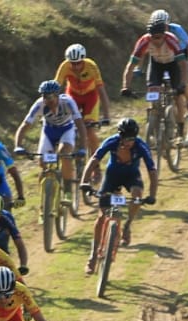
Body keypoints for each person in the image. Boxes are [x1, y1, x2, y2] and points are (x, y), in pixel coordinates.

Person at [79, 117, 158, 275]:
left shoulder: (141, 146)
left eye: (132, 138)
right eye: (127, 138)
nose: (130, 142)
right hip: (112, 176)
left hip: (131, 176)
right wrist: (84, 181)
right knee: (102, 216)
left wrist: (152, 195)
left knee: (137, 196)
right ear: (120, 136)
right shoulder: (112, 141)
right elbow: (94, 159)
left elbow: (152, 171)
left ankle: (127, 225)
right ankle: (93, 256)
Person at [122, 10, 188, 139]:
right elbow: (130, 66)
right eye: (153, 37)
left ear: (164, 35)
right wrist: (126, 86)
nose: (155, 41)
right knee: (153, 94)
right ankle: (154, 121)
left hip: (173, 64)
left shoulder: (171, 40)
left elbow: (184, 65)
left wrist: (183, 84)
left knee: (178, 96)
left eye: (158, 37)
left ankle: (180, 128)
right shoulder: (144, 41)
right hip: (156, 64)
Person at [12, 80, 86, 186]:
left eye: (50, 97)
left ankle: (68, 189)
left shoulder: (68, 102)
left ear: (57, 96)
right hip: (49, 131)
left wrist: (83, 147)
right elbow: (25, 125)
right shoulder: (39, 104)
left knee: (64, 153)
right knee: (42, 160)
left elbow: (80, 124)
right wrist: (18, 146)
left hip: (66, 129)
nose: (47, 100)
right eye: (44, 97)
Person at [55, 43, 110, 157]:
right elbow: (55, 88)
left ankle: (96, 166)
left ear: (83, 60)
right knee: (66, 125)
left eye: (78, 63)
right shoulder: (65, 66)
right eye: (72, 63)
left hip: (91, 96)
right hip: (73, 95)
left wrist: (106, 115)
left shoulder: (91, 66)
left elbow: (101, 91)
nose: (75, 66)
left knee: (89, 130)